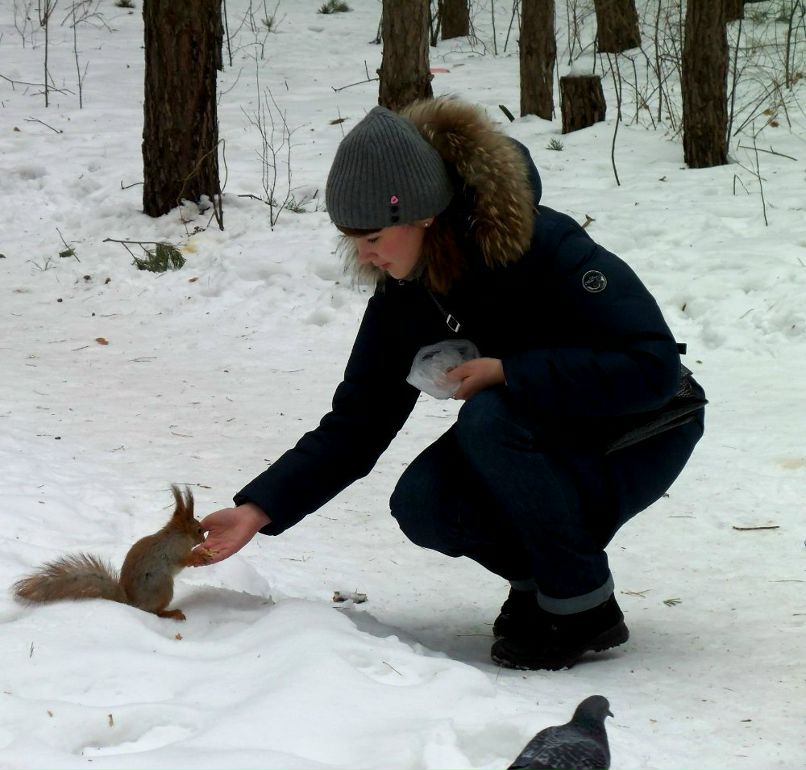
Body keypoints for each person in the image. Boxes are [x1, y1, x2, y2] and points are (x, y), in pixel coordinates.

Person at [191, 98, 705, 671]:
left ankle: (583, 608)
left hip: (643, 428)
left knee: (491, 417)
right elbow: (358, 422)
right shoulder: (405, 294)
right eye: (351, 238)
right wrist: (257, 510)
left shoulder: (543, 245)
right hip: (545, 435)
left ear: (423, 215)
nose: (363, 254)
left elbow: (652, 365)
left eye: (372, 236)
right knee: (425, 502)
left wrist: (512, 370)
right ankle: (545, 587)